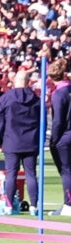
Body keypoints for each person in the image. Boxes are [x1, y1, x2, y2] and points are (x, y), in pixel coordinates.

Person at [0, 70, 41, 215]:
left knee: (11, 174)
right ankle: (34, 205)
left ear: (15, 81)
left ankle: (9, 205)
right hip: (31, 141)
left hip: (11, 141)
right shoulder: (36, 99)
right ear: (28, 82)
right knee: (31, 174)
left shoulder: (6, 98)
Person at [51, 70, 71, 218]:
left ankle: (68, 204)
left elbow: (58, 120)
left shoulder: (59, 94)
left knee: (66, 171)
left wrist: (54, 138)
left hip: (65, 136)